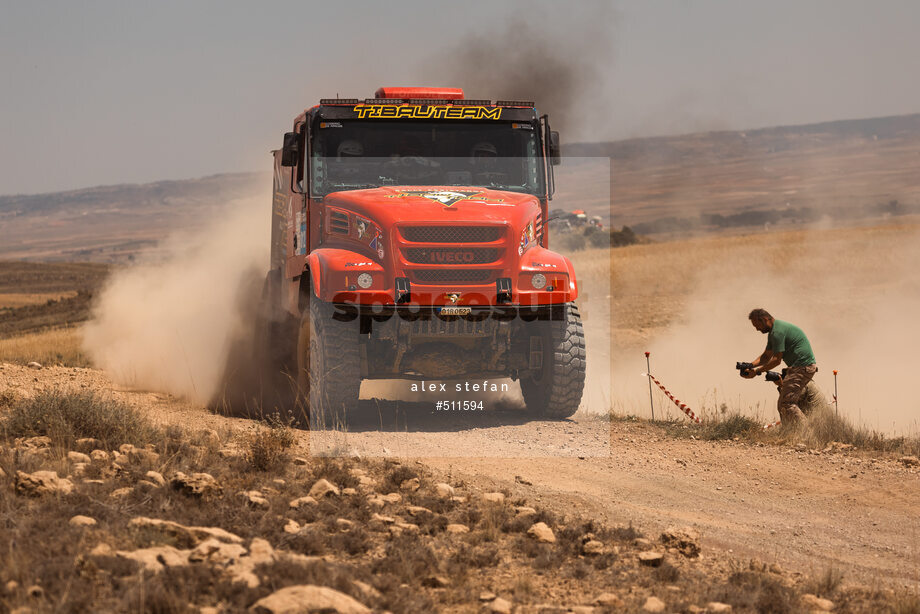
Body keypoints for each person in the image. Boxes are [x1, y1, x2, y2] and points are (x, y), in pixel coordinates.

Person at [741, 308, 818, 425]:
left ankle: (805, 433)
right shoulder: (774, 332)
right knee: (784, 403)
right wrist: (750, 365)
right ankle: (792, 432)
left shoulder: (777, 332)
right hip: (800, 367)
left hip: (801, 367)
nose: (757, 329)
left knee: (786, 403)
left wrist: (756, 372)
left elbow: (776, 360)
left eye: (757, 325)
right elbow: (766, 357)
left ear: (765, 319)